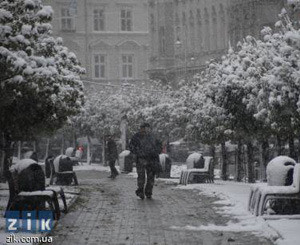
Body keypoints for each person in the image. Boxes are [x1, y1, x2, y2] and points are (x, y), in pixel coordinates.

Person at [129, 123, 162, 200]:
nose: (144, 130)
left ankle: (148, 192)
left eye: (146, 128)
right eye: (143, 128)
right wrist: (138, 152)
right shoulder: (136, 137)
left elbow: (159, 146)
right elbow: (131, 146)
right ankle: (140, 191)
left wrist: (155, 151)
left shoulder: (152, 137)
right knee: (141, 177)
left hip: (151, 160)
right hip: (141, 159)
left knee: (150, 177)